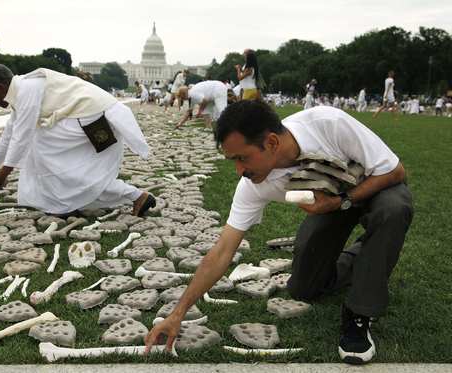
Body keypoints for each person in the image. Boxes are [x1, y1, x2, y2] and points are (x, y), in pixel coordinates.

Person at [145, 100, 413, 365]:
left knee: (394, 208)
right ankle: (364, 256)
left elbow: (396, 171)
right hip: (330, 202)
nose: (239, 170)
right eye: (232, 160)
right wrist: (178, 313)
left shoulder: (328, 123)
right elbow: (222, 251)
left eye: (242, 158)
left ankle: (359, 314)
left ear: (272, 143)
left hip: (376, 185)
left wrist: (342, 200)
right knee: (304, 288)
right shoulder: (252, 185)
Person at [0, 64, 156, 217]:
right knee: (73, 170)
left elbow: (21, 139)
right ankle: (135, 196)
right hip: (92, 118)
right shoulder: (22, 92)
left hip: (91, 117)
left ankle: (61, 203)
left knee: (39, 147)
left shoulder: (26, 89)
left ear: (0, 88)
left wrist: (1, 177)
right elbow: (6, 140)